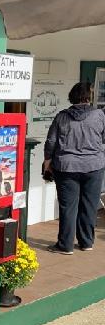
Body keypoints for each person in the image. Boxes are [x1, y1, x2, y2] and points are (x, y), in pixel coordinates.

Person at [43, 81, 105, 255]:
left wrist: (47, 161)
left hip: (66, 167)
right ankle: (86, 242)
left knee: (68, 207)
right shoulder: (99, 115)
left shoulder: (61, 116)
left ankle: (65, 245)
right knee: (89, 205)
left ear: (72, 96)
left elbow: (51, 142)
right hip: (94, 166)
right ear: (88, 97)